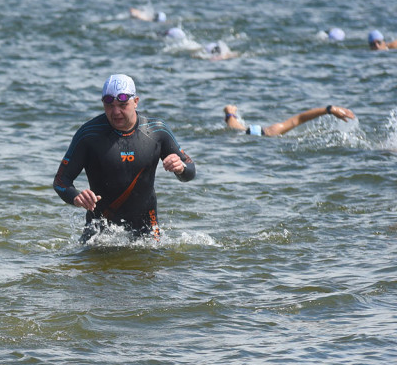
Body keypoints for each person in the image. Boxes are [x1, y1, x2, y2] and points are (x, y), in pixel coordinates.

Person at [53, 74, 196, 242]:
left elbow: (190, 170)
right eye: (109, 105)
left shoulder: (157, 131)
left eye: (122, 105)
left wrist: (181, 168)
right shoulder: (89, 134)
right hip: (100, 233)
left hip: (147, 232)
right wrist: (76, 197)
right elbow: (61, 181)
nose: (116, 112)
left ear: (136, 101)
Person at [223, 104, 355, 136]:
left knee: (235, 127)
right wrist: (329, 109)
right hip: (262, 134)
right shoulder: (273, 132)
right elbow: (299, 119)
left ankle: (230, 113)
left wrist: (329, 109)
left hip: (259, 134)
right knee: (234, 127)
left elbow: (299, 119)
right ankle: (230, 112)